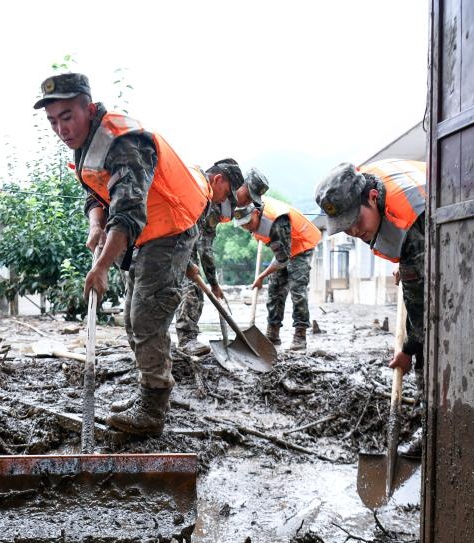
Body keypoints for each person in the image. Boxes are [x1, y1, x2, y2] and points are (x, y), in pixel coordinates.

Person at [36, 72, 208, 434]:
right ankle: (148, 391)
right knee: (131, 318)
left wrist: (100, 267)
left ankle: (153, 411)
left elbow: (129, 214)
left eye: (67, 117)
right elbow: (96, 194)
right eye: (52, 121)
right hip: (146, 236)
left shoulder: (124, 142)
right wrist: (95, 226)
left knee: (147, 316)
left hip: (169, 230)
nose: (61, 129)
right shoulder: (84, 145)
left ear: (88, 106)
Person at [314, 158, 427, 455]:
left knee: (429, 350)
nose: (353, 231)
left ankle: (434, 429)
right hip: (428, 237)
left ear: (373, 198)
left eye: (356, 221)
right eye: (345, 226)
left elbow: (423, 313)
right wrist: (408, 264)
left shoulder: (410, 223)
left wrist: (409, 350)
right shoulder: (368, 181)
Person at [234, 170, 322, 351]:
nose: (246, 228)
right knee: (275, 289)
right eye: (242, 225)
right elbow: (279, 252)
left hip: (302, 244)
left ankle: (300, 336)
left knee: (298, 289)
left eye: (247, 223)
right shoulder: (253, 212)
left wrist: (261, 276)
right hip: (284, 248)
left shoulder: (277, 220)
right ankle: (272, 335)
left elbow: (282, 259)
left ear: (256, 213)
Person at [174, 158, 244, 357]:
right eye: (226, 194)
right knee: (193, 289)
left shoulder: (203, 191)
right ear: (218, 180)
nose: (224, 200)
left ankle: (159, 342)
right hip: (163, 241)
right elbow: (204, 248)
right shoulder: (201, 194)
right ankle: (186, 339)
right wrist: (210, 281)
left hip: (174, 243)